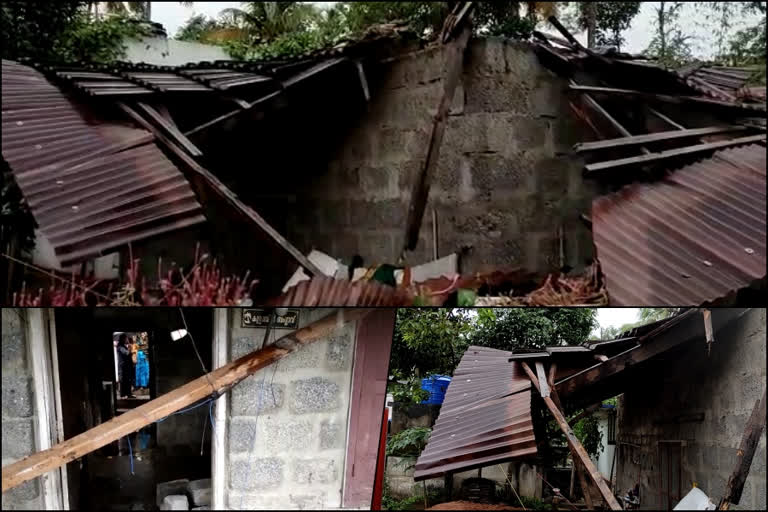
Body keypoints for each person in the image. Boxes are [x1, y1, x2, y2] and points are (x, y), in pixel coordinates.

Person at [117, 334, 135, 398]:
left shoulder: (124, 346)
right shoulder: (120, 347)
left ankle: (129, 394)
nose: (127, 340)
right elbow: (126, 353)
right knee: (124, 380)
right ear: (123, 339)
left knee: (128, 380)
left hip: (127, 366)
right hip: (123, 367)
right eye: (126, 338)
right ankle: (123, 394)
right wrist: (130, 348)